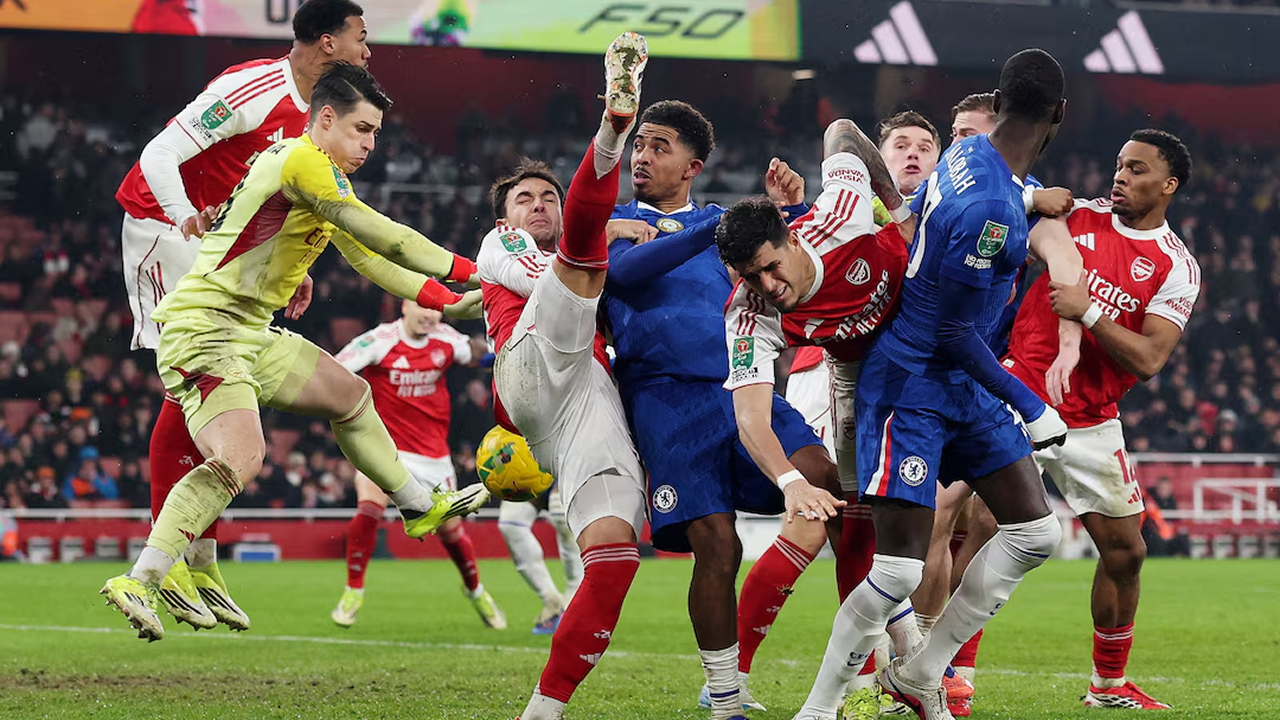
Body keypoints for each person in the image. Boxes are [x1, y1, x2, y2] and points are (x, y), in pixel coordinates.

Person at [99, 62, 489, 643]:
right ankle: (143, 578)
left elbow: (370, 259)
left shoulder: (321, 173)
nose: (370, 143)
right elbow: (390, 237)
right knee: (241, 456)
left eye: (377, 132)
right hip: (204, 329)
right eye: (362, 129)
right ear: (325, 118)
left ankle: (415, 504)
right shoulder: (302, 159)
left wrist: (449, 301)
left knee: (351, 395)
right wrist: (478, 271)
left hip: (249, 330)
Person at [114, 0, 372, 631]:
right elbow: (157, 154)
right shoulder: (250, 87)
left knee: (219, 381)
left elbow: (260, 199)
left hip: (216, 244)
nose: (369, 50)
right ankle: (174, 557)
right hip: (162, 226)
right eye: (361, 38)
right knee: (194, 380)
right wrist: (182, 217)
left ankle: (196, 554)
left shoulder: (318, 119)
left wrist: (291, 267)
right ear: (327, 43)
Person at [603, 100, 836, 718]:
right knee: (718, 544)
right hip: (665, 397)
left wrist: (794, 209)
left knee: (830, 481)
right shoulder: (614, 220)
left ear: (693, 165)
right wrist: (725, 226)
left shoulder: (719, 223)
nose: (642, 157)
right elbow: (624, 278)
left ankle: (870, 663)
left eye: (658, 147)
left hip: (746, 384)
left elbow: (800, 263)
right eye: (639, 145)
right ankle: (726, 697)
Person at [967, 129, 1200, 710]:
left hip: (1093, 418)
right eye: (1119, 164)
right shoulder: (1074, 218)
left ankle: (1108, 685)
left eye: (1138, 169)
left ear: (1168, 186)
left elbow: (1149, 359)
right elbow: (992, 230)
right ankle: (954, 673)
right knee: (980, 525)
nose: (1120, 176)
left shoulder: (1176, 266)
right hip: (1020, 392)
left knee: (1127, 551)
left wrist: (1090, 311)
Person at [716, 115, 925, 720]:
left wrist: (898, 209)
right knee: (858, 521)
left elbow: (840, 132)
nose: (768, 284)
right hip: (854, 375)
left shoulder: (844, 210)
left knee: (952, 518)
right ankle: (886, 674)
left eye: (770, 266)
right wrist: (790, 482)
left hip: (923, 345)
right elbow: (751, 414)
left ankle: (914, 663)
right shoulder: (748, 312)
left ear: (789, 234)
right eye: (751, 276)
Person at [475, 32, 649, 720]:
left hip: (580, 402)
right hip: (530, 364)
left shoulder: (592, 255)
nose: (538, 204)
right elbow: (556, 270)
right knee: (578, 260)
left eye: (550, 195)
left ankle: (542, 710)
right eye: (526, 198)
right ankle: (613, 123)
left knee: (614, 554)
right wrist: (624, 238)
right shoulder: (502, 245)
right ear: (504, 216)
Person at [908, 91, 1078, 707]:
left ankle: (939, 664)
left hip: (984, 370)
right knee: (932, 521)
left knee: (998, 523)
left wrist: (1069, 331)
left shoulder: (1014, 199)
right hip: (940, 370)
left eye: (967, 132)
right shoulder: (979, 190)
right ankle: (914, 661)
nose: (957, 146)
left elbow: (1062, 257)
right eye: (952, 133)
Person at [329, 299, 506, 631]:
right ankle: (353, 590)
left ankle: (476, 590)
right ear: (404, 305)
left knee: (452, 533)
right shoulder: (380, 340)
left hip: (435, 457)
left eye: (435, 308)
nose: (429, 314)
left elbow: (480, 354)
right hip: (387, 451)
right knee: (369, 510)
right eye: (422, 306)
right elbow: (337, 370)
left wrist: (498, 352)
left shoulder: (446, 339)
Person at [497, 488, 582, 635]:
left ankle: (575, 607)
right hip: (532, 466)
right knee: (511, 522)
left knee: (561, 511)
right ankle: (553, 603)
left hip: (571, 466)